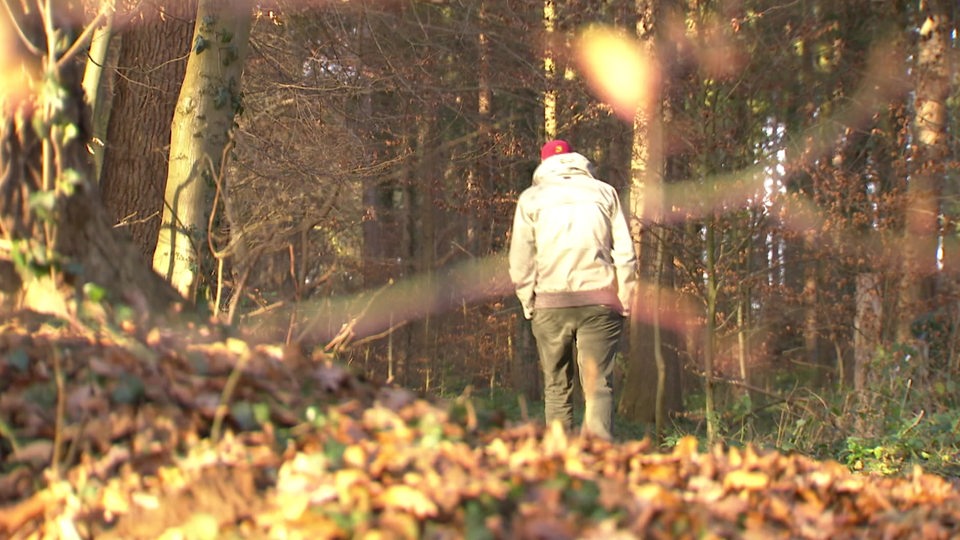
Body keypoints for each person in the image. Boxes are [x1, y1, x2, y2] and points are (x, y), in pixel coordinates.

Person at [508, 139, 638, 441]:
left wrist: (529, 301)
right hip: (600, 301)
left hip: (549, 302)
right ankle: (600, 463)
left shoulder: (531, 198)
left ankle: (558, 463)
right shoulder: (605, 192)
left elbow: (520, 260)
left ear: (543, 165)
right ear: (576, 161)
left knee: (556, 387)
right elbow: (626, 253)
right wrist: (625, 299)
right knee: (598, 387)